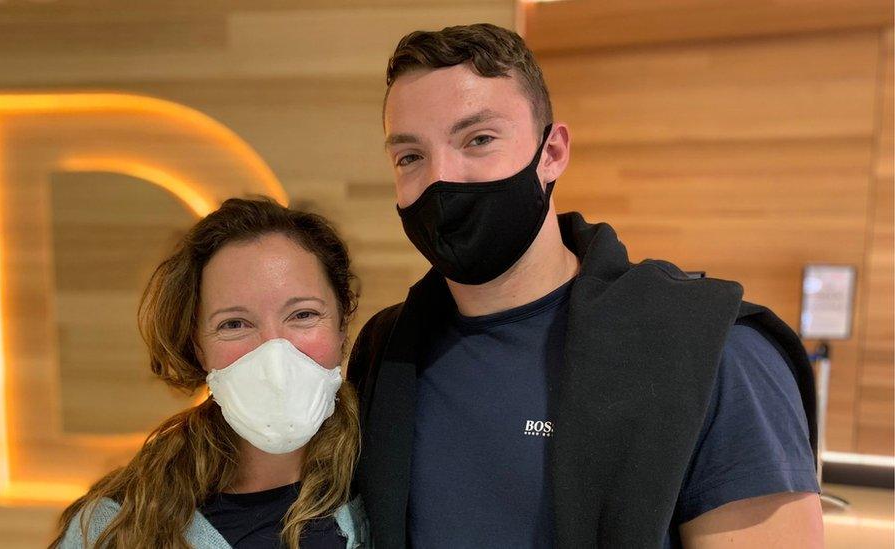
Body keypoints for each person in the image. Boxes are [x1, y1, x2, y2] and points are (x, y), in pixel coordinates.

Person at [347, 23, 823, 548]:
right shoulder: (383, 354)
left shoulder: (715, 352)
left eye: (478, 140)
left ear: (552, 154)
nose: (443, 178)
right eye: (410, 157)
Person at [50, 198, 369, 549]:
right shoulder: (119, 526)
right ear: (198, 347)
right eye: (234, 324)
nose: (274, 354)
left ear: (342, 326)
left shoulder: (394, 479)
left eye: (303, 315)